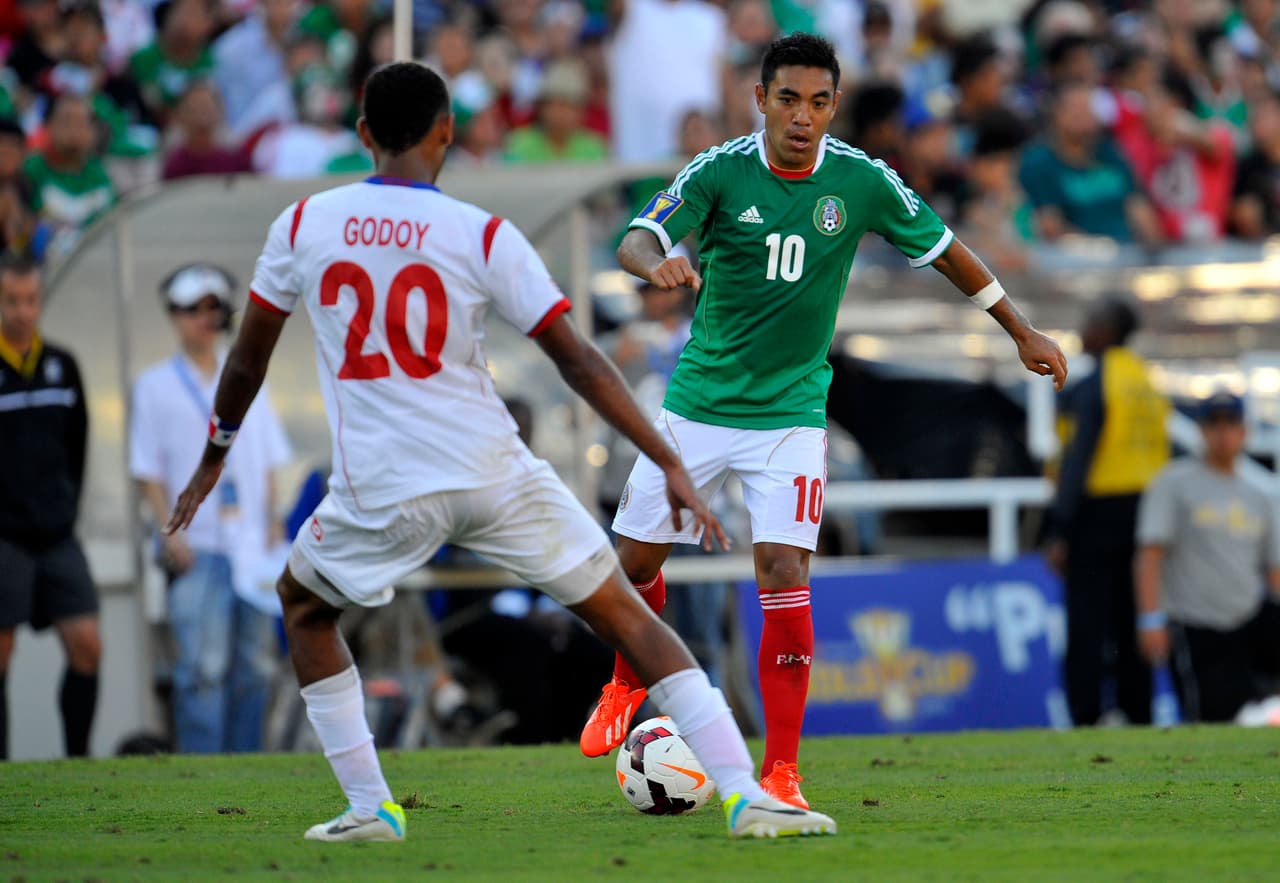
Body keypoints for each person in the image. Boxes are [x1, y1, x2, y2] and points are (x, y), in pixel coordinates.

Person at [164, 60, 836, 842]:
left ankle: (369, 805)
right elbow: (580, 361)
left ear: (364, 134)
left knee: (306, 606)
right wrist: (666, 457)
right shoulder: (481, 233)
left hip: (382, 485)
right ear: (447, 132)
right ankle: (744, 793)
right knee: (629, 616)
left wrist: (215, 452)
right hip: (492, 472)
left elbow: (247, 358)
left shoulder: (304, 223)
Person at [587, 33, 1067, 810]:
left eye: (817, 102)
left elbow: (948, 250)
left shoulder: (861, 180)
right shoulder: (719, 170)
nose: (802, 117)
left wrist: (1021, 329)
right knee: (634, 561)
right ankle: (622, 683)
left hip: (792, 414)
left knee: (785, 573)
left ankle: (781, 771)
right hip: (698, 406)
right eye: (788, 99)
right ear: (761, 100)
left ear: (835, 105)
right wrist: (657, 262)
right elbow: (637, 238)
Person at [129, 262, 291, 753]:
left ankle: (247, 772)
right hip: (198, 547)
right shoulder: (154, 386)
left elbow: (268, 457)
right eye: (193, 309)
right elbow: (147, 471)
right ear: (175, 316)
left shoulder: (247, 373)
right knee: (202, 669)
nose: (205, 319)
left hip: (250, 547)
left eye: (213, 308)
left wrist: (273, 517)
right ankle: (202, 773)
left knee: (255, 668)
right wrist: (170, 532)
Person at [1043, 298, 1169, 727]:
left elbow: (1076, 461)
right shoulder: (1146, 382)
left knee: (1087, 626)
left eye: (1088, 322)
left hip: (1095, 515)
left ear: (1105, 331)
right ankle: (1140, 714)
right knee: (1133, 620)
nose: (1082, 331)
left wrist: (1058, 528)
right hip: (1145, 513)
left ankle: (1085, 717)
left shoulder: (1092, 386)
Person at [0, 257, 100, 758]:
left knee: (87, 644)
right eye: (11, 301)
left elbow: (78, 447)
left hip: (58, 535)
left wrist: (65, 508)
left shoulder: (64, 365)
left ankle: (78, 765)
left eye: (30, 300)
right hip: (5, 538)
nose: (22, 311)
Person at [1135, 392, 1280, 722]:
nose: (1222, 433)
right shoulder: (1174, 482)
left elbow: (1274, 569)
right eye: (1214, 424)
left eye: (1230, 424)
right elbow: (1150, 553)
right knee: (1205, 715)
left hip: (1247, 620)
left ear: (1244, 431)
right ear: (1201, 430)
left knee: (1249, 714)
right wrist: (1150, 617)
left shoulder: (1260, 493)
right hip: (1192, 622)